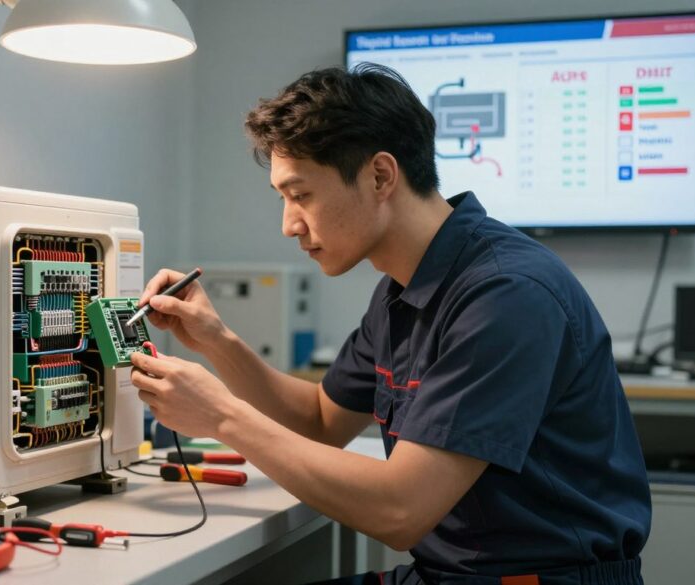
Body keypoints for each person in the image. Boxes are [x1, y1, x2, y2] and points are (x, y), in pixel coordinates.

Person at [129, 64, 651, 585]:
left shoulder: (505, 293)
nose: (289, 224)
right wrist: (218, 342)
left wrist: (221, 416)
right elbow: (319, 420)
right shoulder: (403, 289)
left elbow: (400, 510)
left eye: (301, 195)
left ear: (380, 176)